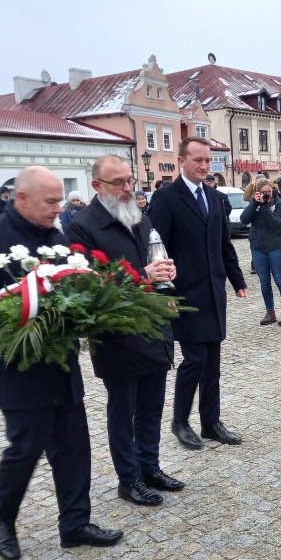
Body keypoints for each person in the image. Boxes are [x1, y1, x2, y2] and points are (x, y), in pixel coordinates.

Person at [0, 166, 124, 560]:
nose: (57, 208)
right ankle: (2, 517)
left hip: (60, 366)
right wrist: (32, 316)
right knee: (25, 448)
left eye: (59, 201)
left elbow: (77, 290)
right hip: (16, 368)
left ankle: (75, 524)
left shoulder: (58, 239)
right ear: (22, 198)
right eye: (50, 202)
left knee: (73, 446)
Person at [66, 155, 183, 507]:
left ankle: (150, 466)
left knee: (151, 406)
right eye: (118, 182)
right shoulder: (82, 226)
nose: (128, 188)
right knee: (123, 411)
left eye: (130, 180)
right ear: (97, 186)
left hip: (153, 325)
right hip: (117, 333)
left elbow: (155, 257)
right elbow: (86, 282)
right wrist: (144, 274)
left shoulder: (139, 217)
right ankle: (128, 479)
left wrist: (166, 280)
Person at [148, 136, 247, 450]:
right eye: (198, 161)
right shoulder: (166, 198)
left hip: (213, 292)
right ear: (182, 161)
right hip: (184, 295)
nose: (205, 166)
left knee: (212, 361)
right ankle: (180, 421)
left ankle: (211, 422)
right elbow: (154, 248)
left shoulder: (215, 197)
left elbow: (223, 244)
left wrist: (236, 279)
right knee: (195, 359)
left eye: (208, 161)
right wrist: (164, 293)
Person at [240, 177, 281, 326]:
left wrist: (264, 206)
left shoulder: (278, 202)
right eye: (262, 192)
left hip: (276, 245)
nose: (266, 194)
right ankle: (270, 312)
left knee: (279, 279)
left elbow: (274, 224)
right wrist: (255, 203)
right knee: (264, 281)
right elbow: (244, 219)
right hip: (258, 247)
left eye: (268, 192)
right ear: (257, 192)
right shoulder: (255, 203)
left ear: (272, 190)